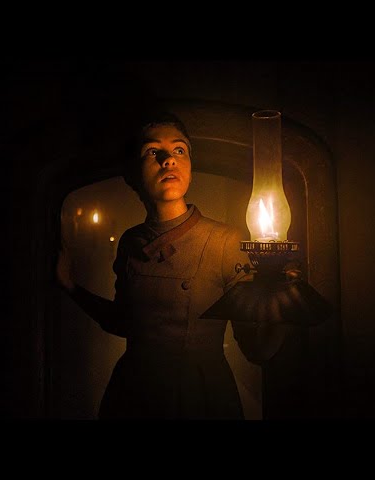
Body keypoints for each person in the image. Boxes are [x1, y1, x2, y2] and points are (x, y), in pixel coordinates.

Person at [56, 111, 286, 419]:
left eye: (179, 150)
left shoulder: (224, 241)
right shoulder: (130, 242)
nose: (169, 160)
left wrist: (279, 297)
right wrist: (70, 286)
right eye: (153, 152)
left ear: (190, 165)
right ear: (131, 174)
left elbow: (256, 348)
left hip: (200, 396)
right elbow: (124, 321)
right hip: (134, 395)